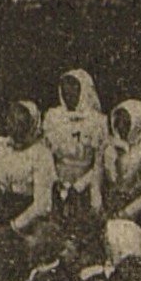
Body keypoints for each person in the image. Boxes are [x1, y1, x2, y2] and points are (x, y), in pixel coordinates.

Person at [0, 100, 56, 233]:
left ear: (31, 124)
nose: (14, 126)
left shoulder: (41, 154)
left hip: (29, 218)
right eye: (12, 120)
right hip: (1, 213)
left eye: (21, 122)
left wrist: (14, 226)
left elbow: (41, 204)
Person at [43, 69, 106, 215]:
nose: (68, 92)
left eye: (74, 86)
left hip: (87, 182)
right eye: (65, 87)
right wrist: (58, 182)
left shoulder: (98, 121)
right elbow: (45, 155)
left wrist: (78, 187)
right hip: (57, 180)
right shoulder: (53, 117)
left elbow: (99, 163)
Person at [104, 100, 141, 225]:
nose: (121, 127)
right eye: (118, 121)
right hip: (113, 208)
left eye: (126, 122)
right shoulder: (112, 148)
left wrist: (126, 213)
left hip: (139, 214)